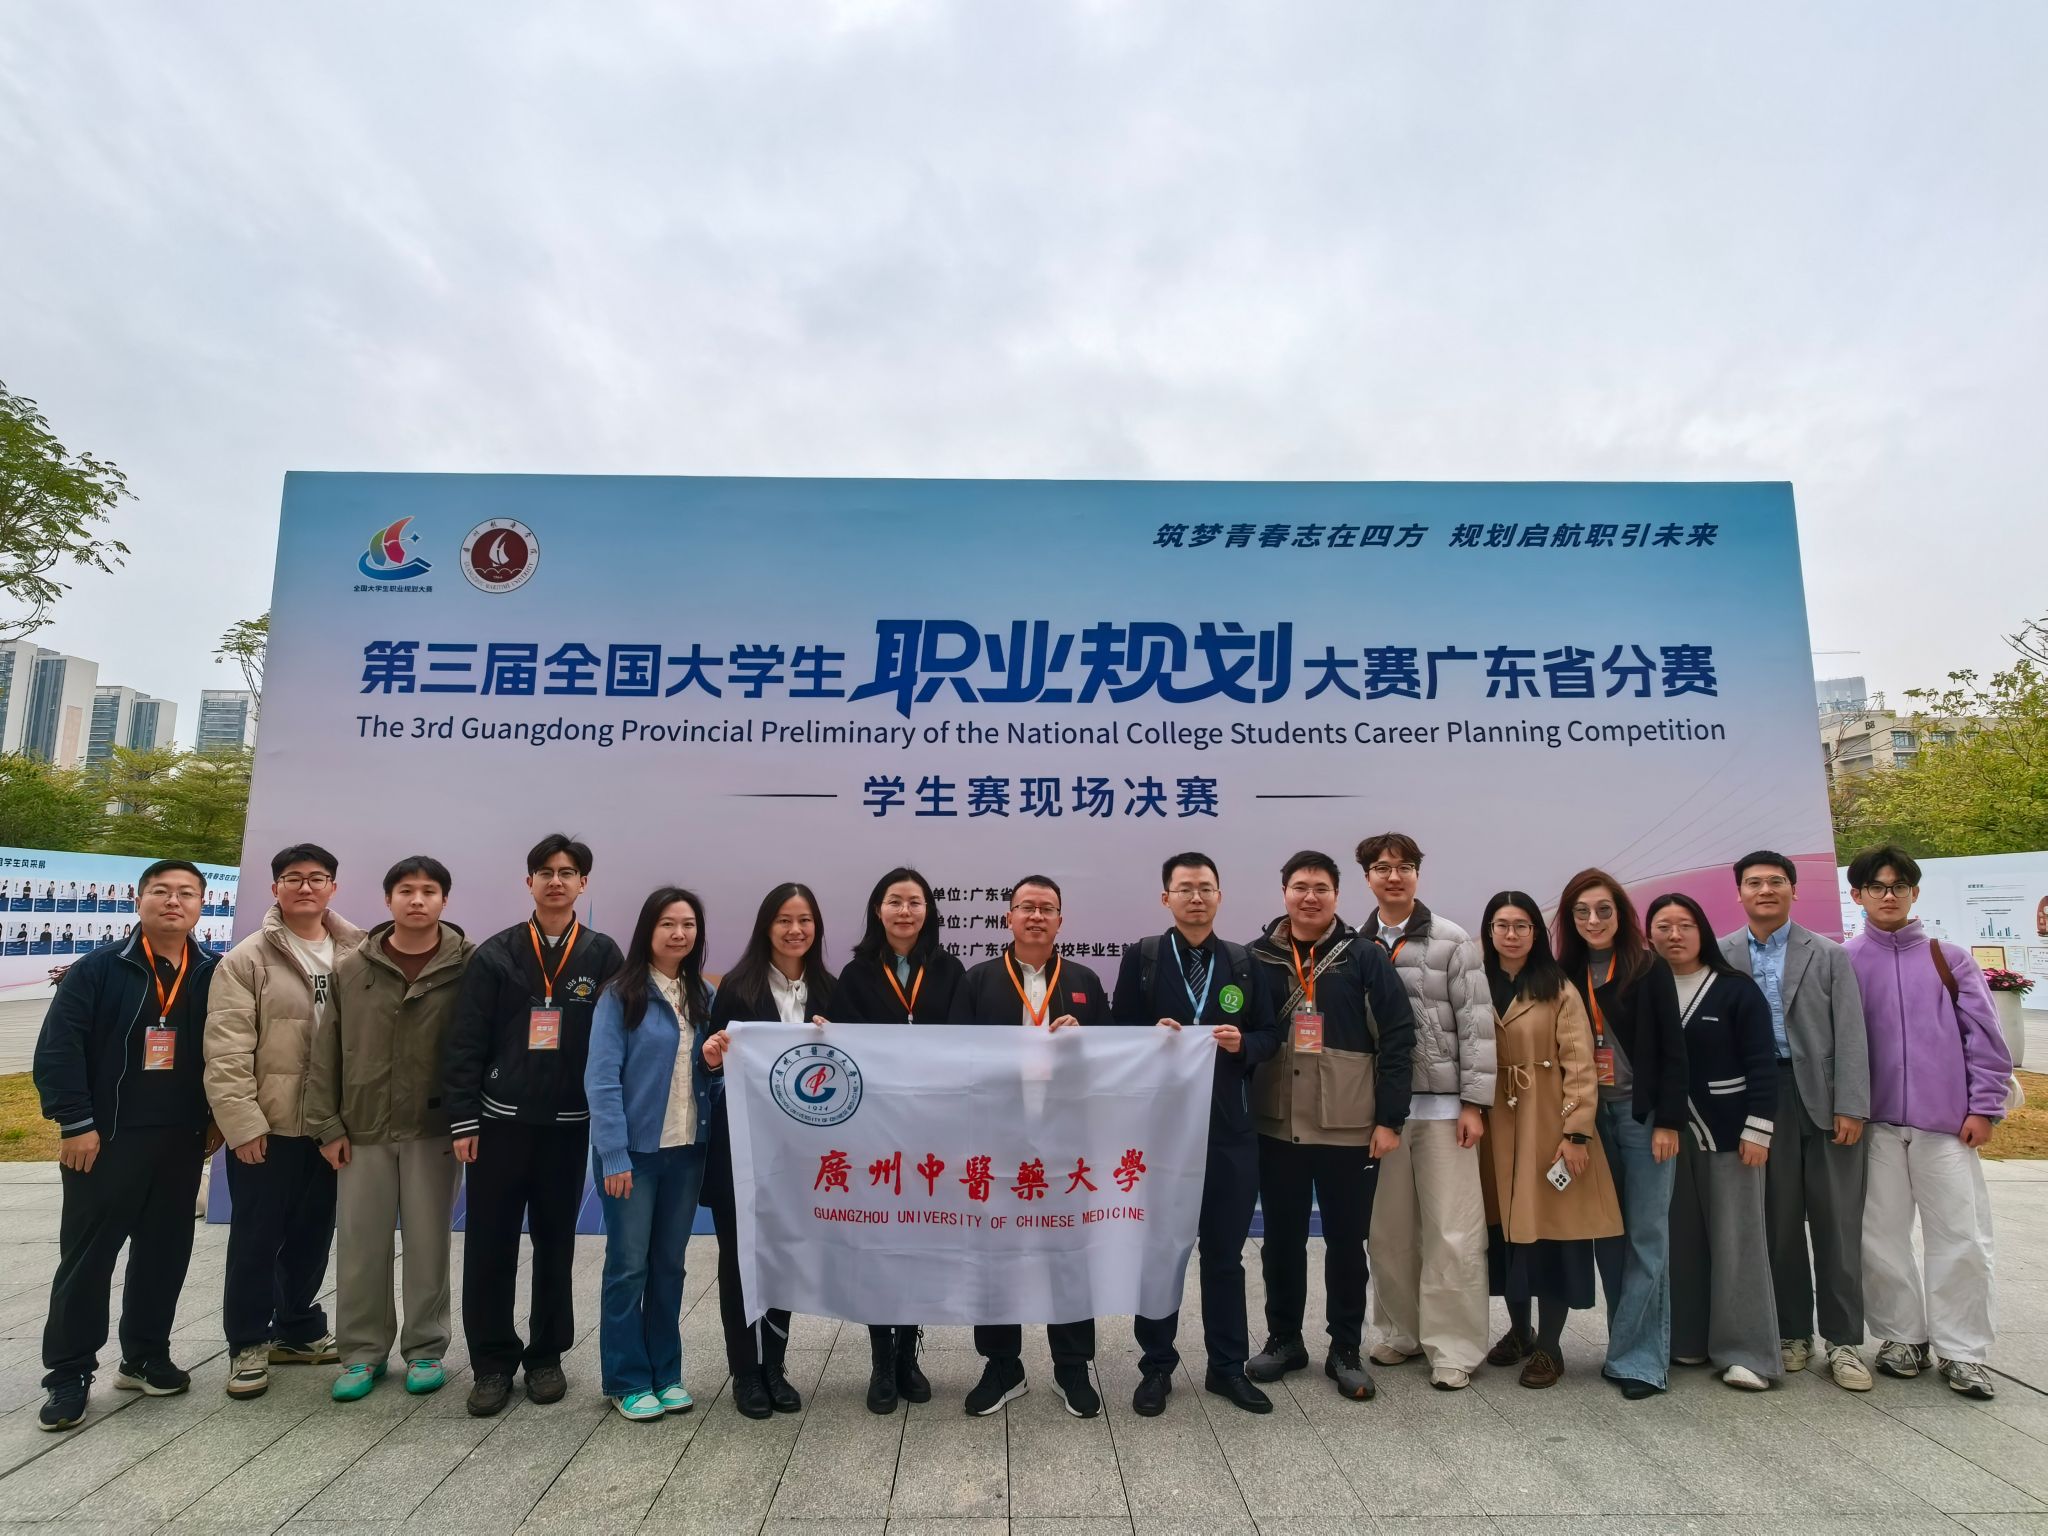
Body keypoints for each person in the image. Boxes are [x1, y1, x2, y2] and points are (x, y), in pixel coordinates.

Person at [32, 860, 220, 1431]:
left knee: (164, 1253)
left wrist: (216, 1118)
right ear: (139, 900)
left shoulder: (213, 971)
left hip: (180, 1139)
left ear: (201, 905)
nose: (173, 901)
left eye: (186, 893)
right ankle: (68, 1373)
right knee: (88, 1259)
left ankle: (144, 1356)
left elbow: (228, 1049)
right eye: (161, 891)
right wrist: (75, 1123)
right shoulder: (99, 969)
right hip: (105, 1138)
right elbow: (59, 1048)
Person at [445, 833, 624, 1417]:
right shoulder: (495, 953)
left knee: (556, 1243)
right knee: (489, 1244)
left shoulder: (602, 955)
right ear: (529, 882)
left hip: (567, 1126)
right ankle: (492, 1363)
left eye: (567, 872)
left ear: (583, 883)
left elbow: (618, 1041)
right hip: (498, 1122)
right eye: (545, 872)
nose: (556, 881)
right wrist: (464, 1118)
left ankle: (547, 1356)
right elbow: (466, 1040)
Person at [1111, 852, 1280, 1416]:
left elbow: (1270, 1035)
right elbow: (1118, 1033)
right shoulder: (1143, 957)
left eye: (1206, 887)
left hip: (1229, 1131)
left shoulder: (1244, 962)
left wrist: (1243, 1044)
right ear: (1166, 898)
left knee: (1225, 1256)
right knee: (1161, 1252)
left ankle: (1227, 1368)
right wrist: (1148, 1035)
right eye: (1185, 888)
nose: (1196, 897)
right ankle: (1156, 1366)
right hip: (1159, 1134)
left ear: (1220, 896)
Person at [1244, 850, 1415, 1401]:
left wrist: (1389, 1119)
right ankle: (1284, 1340)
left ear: (1337, 895)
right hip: (1276, 1126)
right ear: (1284, 893)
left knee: (1345, 1243)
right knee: (1281, 1242)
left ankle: (1345, 1348)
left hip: (1348, 1128)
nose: (1310, 896)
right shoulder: (1257, 957)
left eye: (1321, 887)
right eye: (1300, 886)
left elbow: (1398, 1039)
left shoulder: (1364, 957)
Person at [1845, 845, 2012, 1400]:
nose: (1888, 895)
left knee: (1962, 1237)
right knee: (1880, 1237)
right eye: (1877, 886)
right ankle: (1901, 1337)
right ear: (1858, 895)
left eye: (1899, 885)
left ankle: (1963, 1351)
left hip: (1947, 1126)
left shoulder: (1950, 958)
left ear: (1915, 892)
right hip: (1875, 1125)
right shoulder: (1845, 960)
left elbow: (1985, 1041)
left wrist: (1984, 1107)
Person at [305, 856, 473, 1402]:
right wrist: (327, 1124)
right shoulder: (353, 967)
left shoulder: (469, 965)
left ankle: (425, 1348)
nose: (417, 900)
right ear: (387, 899)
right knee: (360, 1246)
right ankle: (361, 1353)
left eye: (428, 891)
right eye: (405, 890)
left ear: (444, 900)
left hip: (433, 1128)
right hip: (363, 1127)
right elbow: (325, 1050)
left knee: (429, 1244)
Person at [204, 842, 368, 1400]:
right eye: (293, 878)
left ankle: (296, 1328)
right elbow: (226, 1049)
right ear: (275, 888)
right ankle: (248, 1342)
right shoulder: (245, 959)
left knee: (311, 1234)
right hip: (268, 1128)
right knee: (256, 1238)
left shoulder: (358, 952)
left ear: (333, 888)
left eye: (317, 877)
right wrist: (241, 1123)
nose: (305, 887)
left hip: (330, 1126)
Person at [947, 875, 1112, 1417]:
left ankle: (1072, 1366)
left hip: (1066, 1144)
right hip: (997, 1143)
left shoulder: (1084, 980)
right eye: (1026, 907)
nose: (1036, 916)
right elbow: (954, 1058)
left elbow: (1113, 1058)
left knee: (1069, 1254)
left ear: (1061, 920)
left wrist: (1084, 1039)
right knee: (995, 1254)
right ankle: (1003, 1365)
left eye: (1047, 908)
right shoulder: (978, 980)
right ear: (1009, 917)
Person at [1718, 850, 1873, 1392]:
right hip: (1762, 1100)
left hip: (1826, 1104)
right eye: (1754, 883)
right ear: (1739, 892)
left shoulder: (1828, 953)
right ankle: (1792, 1334)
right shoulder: (1723, 953)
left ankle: (1844, 1342)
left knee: (1836, 1226)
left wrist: (1851, 1105)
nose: (1766, 890)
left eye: (1776, 881)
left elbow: (1851, 1032)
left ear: (1793, 889)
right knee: (1778, 1225)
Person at [1357, 833, 1494, 1391]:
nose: (1394, 876)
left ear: (1417, 874)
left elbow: (1477, 1027)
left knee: (1452, 1231)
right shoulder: (1355, 944)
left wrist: (1474, 1103)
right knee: (1387, 1231)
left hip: (1443, 1111)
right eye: (1382, 868)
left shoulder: (1452, 940)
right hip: (1380, 1113)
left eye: (1405, 867)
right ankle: (1400, 1332)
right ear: (1367, 877)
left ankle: (1454, 1347)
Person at [826, 867, 966, 1414]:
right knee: (879, 1242)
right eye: (894, 901)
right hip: (876, 1131)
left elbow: (967, 1044)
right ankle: (881, 1360)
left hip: (933, 1130)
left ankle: (909, 1354)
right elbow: (844, 1051)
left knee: (919, 1240)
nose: (905, 911)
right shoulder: (856, 973)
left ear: (928, 911)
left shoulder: (950, 969)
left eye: (914, 902)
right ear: (877, 910)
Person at [700, 882, 836, 1420]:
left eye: (804, 920)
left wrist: (836, 1038)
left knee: (783, 1257)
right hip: (743, 1150)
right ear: (766, 926)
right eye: (784, 920)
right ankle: (745, 1372)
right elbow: (712, 1067)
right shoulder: (738, 988)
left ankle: (774, 1367)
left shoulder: (830, 990)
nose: (795, 930)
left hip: (802, 1157)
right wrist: (714, 1057)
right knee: (740, 1261)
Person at [1480, 890, 1623, 1389]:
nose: (1512, 934)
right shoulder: (1475, 982)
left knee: (1552, 1235)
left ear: (1536, 933)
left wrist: (1576, 1132)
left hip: (1546, 1125)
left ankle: (1550, 1346)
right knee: (1505, 1234)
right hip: (1493, 1126)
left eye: (1522, 925)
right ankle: (1519, 1331)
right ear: (1489, 931)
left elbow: (1580, 1065)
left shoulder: (1559, 987)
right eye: (1502, 925)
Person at [1553, 868, 1687, 1400]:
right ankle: (1623, 1344)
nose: (1593, 920)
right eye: (1582, 911)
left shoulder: (1647, 968)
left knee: (1647, 1237)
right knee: (1608, 1237)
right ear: (1569, 918)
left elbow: (1673, 1050)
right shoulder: (1562, 972)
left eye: (1603, 910)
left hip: (1642, 1117)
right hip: (1586, 1120)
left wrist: (1669, 1121)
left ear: (1621, 914)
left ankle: (1640, 1361)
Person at [585, 887, 717, 1421]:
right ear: (648, 930)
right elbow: (602, 1079)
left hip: (686, 1151)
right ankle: (626, 1379)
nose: (679, 934)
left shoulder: (703, 994)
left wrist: (715, 1063)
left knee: (669, 1266)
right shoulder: (621, 994)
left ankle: (666, 1372)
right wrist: (613, 1154)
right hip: (634, 1157)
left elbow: (709, 1075)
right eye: (668, 924)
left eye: (688, 925)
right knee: (627, 1267)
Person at [1645, 892, 1780, 1390]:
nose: (1674, 935)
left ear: (1702, 930)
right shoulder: (1644, 990)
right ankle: (1687, 1338)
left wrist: (1758, 1128)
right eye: (1663, 926)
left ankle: (1747, 1352)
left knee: (1738, 1242)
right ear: (1649, 934)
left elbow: (1762, 1062)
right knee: (1678, 1239)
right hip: (1665, 1137)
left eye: (1684, 924)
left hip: (1730, 1134)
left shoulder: (1735, 989)